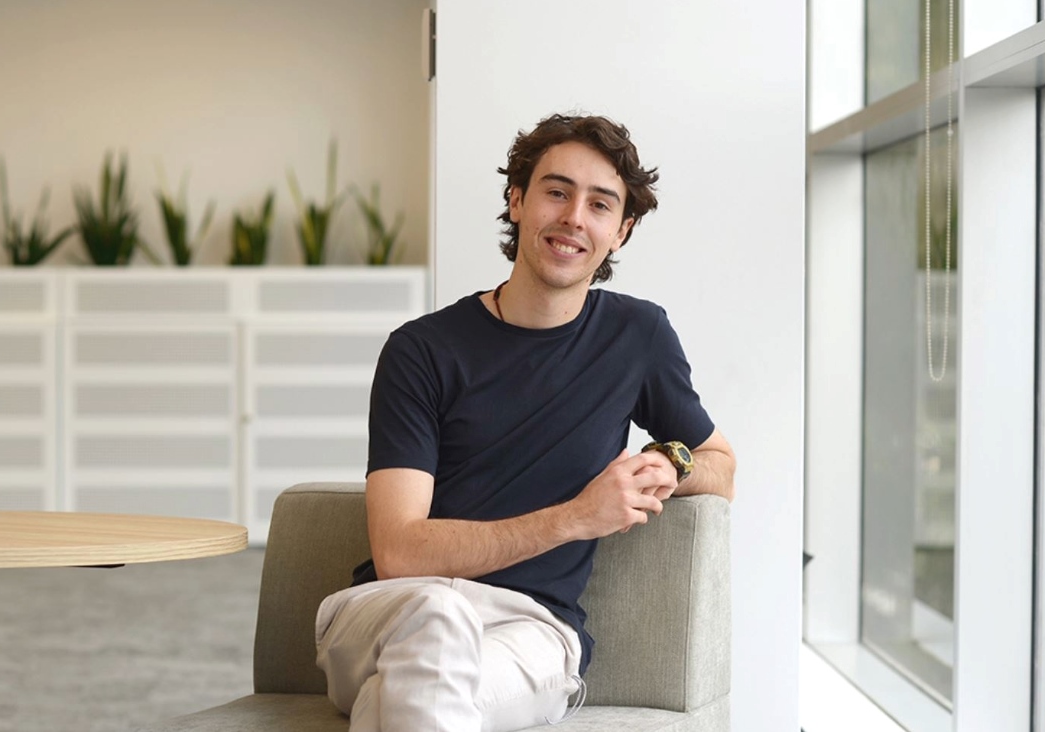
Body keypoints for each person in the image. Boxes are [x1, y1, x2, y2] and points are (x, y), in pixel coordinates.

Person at [314, 112, 737, 732]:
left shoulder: (638, 337)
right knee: (437, 616)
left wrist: (668, 463)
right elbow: (401, 551)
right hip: (392, 609)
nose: (573, 218)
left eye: (600, 205)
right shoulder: (421, 350)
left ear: (620, 232)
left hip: (529, 629)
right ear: (517, 201)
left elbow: (722, 466)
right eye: (557, 192)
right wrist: (576, 517)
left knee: (397, 701)